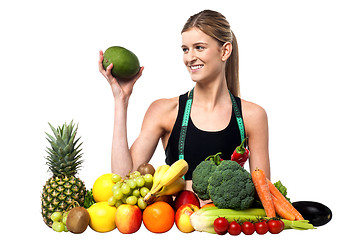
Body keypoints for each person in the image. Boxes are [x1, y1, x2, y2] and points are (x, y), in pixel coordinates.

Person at [98, 10, 271, 193]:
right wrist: (121, 100)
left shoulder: (252, 116)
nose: (189, 57)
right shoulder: (164, 111)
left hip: (226, 222)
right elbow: (123, 179)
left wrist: (186, 186)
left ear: (225, 51)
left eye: (199, 47)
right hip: (172, 221)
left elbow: (264, 192)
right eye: (185, 49)